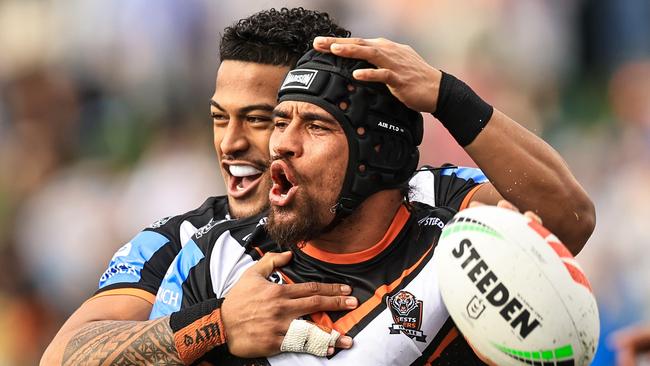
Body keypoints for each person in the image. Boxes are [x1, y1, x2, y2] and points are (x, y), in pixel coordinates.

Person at [44, 8, 595, 366]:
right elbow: (64, 359)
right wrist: (214, 325)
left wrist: (446, 94)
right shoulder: (204, 250)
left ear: (374, 151)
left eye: (264, 119)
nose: (242, 144)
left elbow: (568, 219)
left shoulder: (446, 210)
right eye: (221, 118)